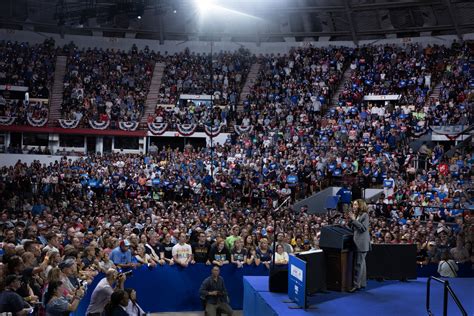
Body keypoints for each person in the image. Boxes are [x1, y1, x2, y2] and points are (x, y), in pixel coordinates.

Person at [348, 199, 370, 292]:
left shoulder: (365, 215)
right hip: (357, 243)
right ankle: (362, 283)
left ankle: (356, 285)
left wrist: (353, 219)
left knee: (358, 265)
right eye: (353, 205)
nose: (354, 206)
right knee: (362, 264)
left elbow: (362, 228)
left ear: (360, 205)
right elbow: (353, 228)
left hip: (361, 244)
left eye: (356, 205)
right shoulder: (357, 215)